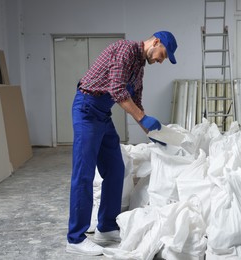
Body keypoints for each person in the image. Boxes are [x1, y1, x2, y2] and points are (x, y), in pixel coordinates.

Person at [66, 31, 178, 256]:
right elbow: (117, 90)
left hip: (102, 115)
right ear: (155, 42)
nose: (160, 60)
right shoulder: (125, 50)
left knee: (117, 168)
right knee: (84, 173)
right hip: (87, 110)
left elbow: (136, 102)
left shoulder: (139, 67)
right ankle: (75, 238)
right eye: (162, 55)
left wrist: (154, 134)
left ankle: (106, 227)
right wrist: (141, 118)